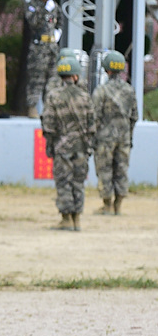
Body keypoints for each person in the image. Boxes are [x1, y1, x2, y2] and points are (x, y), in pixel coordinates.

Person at [42, 54, 95, 230]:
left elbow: (48, 124)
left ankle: (65, 219)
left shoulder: (53, 96)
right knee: (78, 182)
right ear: (76, 75)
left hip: (62, 146)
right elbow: (92, 124)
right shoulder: (85, 96)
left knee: (63, 182)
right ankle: (77, 219)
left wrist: (50, 145)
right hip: (81, 146)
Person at [90, 50, 137, 215]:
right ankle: (118, 205)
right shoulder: (130, 90)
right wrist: (128, 135)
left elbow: (94, 116)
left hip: (105, 138)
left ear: (106, 70)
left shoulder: (101, 91)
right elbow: (134, 116)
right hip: (123, 138)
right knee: (122, 169)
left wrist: (93, 137)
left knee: (105, 169)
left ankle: (107, 204)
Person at [24, 0, 63, 118]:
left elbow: (60, 21)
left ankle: (49, 109)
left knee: (53, 79)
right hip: (38, 48)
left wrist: (58, 33)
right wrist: (44, 10)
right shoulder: (32, 6)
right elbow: (34, 23)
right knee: (36, 77)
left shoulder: (54, 5)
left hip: (52, 47)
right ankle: (32, 107)